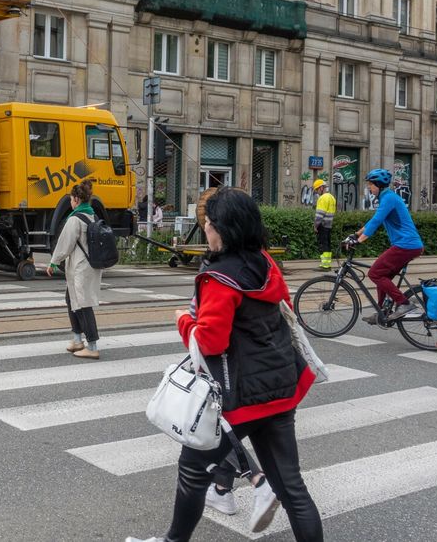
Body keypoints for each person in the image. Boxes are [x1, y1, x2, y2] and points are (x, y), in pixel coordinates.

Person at [128, 188, 322, 542]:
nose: (206, 230)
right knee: (292, 487)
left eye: (209, 224)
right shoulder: (265, 263)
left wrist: (182, 322)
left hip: (239, 396)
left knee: (191, 470)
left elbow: (210, 342)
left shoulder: (219, 278)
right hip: (279, 386)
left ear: (223, 229)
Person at [348, 168, 424, 326]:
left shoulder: (388, 198)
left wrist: (359, 241)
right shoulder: (386, 198)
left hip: (406, 245)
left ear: (378, 184)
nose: (369, 188)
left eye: (370, 184)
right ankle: (382, 311)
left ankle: (404, 303)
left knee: (375, 273)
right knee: (383, 276)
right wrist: (356, 234)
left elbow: (376, 222)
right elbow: (374, 220)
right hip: (407, 245)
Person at [46, 180, 103, 360]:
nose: (71, 202)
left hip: (80, 267)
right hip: (88, 266)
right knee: (72, 299)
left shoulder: (75, 219)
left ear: (76, 199)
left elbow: (64, 244)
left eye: (71, 199)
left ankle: (92, 346)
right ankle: (77, 339)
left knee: (83, 304)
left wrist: (53, 262)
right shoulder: (92, 216)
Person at [312, 178, 336, 270]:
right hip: (329, 225)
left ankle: (325, 265)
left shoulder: (322, 198)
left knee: (323, 244)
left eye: (317, 189)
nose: (317, 192)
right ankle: (327, 263)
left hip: (322, 225)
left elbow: (319, 215)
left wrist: (315, 226)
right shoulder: (331, 197)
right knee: (327, 244)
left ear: (321, 188)